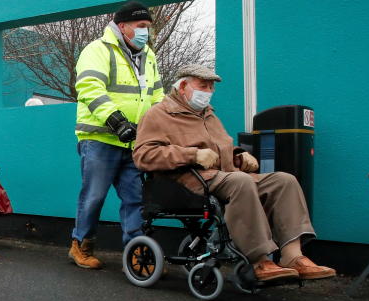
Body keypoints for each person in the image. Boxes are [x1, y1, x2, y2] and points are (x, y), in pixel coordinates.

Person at [133, 63, 335, 282]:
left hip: (225, 175)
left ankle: (292, 256)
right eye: (203, 86)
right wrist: (191, 155)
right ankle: (260, 260)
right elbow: (143, 155)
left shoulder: (208, 115)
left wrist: (238, 155)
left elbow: (219, 147)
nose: (208, 92)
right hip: (190, 182)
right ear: (183, 86)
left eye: (211, 87)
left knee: (284, 180)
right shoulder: (158, 115)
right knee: (240, 182)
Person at [70, 0, 164, 269]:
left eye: (148, 26)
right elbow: (89, 87)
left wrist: (160, 124)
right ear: (122, 26)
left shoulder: (149, 56)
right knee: (94, 196)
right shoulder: (97, 50)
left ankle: (136, 250)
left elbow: (157, 94)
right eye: (141, 26)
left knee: (136, 198)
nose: (147, 31)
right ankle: (81, 244)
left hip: (135, 141)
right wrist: (116, 121)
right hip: (100, 138)